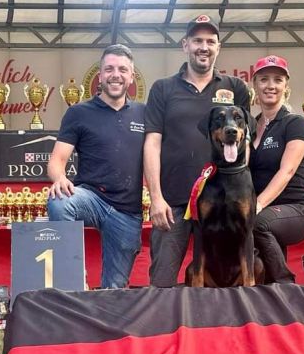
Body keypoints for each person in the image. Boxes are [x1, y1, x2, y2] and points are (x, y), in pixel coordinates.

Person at [144, 15, 251, 287]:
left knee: (230, 280)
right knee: (162, 285)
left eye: (210, 42)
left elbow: (244, 139)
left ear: (218, 47)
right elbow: (152, 143)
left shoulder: (236, 87)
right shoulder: (163, 88)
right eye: (197, 41)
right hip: (173, 203)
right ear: (185, 45)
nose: (204, 47)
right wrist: (156, 198)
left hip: (225, 200)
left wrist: (244, 191)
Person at [46, 44, 145, 289]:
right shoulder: (78, 113)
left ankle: (106, 307)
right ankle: (74, 276)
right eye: (109, 69)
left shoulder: (145, 114)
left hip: (127, 211)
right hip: (91, 199)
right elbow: (56, 161)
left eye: (122, 69)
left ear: (131, 76)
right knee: (60, 201)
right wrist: (60, 179)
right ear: (100, 76)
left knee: (115, 289)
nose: (115, 75)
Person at [248, 55, 304, 283]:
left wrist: (257, 205)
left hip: (298, 207)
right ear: (254, 85)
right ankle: (265, 295)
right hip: (269, 210)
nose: (270, 85)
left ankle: (286, 285)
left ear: (286, 87)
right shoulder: (249, 126)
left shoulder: (295, 123)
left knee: (257, 223)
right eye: (264, 79)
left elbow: (287, 171)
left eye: (278, 80)